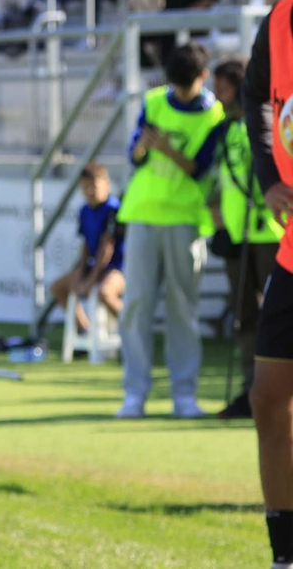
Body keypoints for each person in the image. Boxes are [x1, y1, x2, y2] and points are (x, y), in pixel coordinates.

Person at [117, 42, 225, 419]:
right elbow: (134, 156)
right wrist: (143, 147)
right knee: (136, 306)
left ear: (203, 76)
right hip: (143, 214)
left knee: (183, 309)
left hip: (184, 219)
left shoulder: (215, 116)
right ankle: (134, 394)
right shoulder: (152, 102)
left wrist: (166, 148)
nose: (178, 92)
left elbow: (200, 168)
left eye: (186, 85)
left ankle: (184, 395)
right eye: (174, 84)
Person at [243, 0, 293, 569]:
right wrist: (269, 175)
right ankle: (285, 555)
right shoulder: (279, 19)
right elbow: (255, 94)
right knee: (267, 397)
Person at [208, 56, 284, 419]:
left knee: (278, 314)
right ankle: (251, 390)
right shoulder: (224, 129)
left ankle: (280, 391)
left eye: (223, 89)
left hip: (270, 233)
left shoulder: (266, 123)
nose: (218, 97)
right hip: (238, 235)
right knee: (244, 315)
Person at [49, 164, 125, 334]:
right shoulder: (84, 210)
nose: (90, 191)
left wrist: (91, 279)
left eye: (94, 186)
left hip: (118, 268)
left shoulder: (113, 209)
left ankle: (130, 326)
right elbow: (86, 245)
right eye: (85, 187)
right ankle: (85, 329)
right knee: (58, 288)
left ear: (107, 185)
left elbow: (106, 249)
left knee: (105, 293)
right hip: (94, 267)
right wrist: (80, 272)